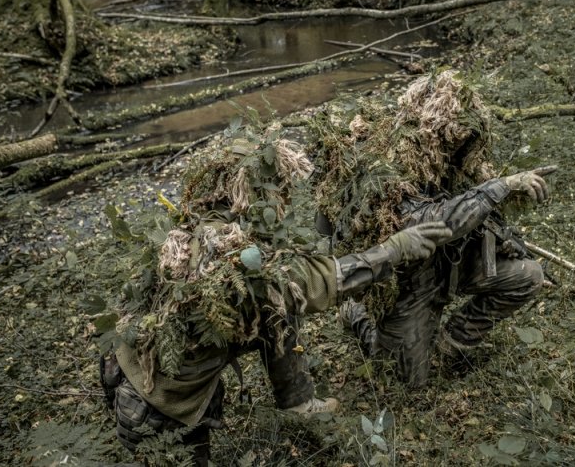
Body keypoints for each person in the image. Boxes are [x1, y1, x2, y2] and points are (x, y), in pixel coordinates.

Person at [99, 124, 452, 466]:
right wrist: (393, 249)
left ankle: (298, 402)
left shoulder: (201, 217)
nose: (284, 197)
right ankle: (297, 404)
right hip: (155, 415)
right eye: (277, 188)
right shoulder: (234, 261)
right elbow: (319, 280)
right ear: (254, 192)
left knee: (278, 313)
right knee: (282, 299)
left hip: (122, 377)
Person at [313, 70, 556, 387]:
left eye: (465, 135)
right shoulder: (391, 164)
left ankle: (449, 346)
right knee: (403, 380)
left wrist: (514, 247)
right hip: (408, 284)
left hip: (452, 267)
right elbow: (431, 222)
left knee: (529, 276)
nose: (459, 141)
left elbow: (487, 218)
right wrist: (501, 187)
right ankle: (355, 314)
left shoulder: (459, 160)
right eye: (451, 133)